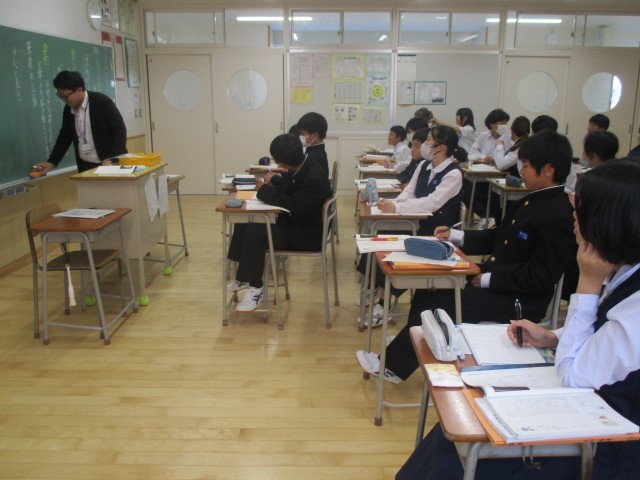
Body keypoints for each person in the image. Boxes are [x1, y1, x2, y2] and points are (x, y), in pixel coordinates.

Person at [397, 159, 640, 479]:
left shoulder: (628, 300)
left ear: (609, 221)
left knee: (467, 435)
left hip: (602, 442)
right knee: (455, 427)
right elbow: (603, 336)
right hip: (586, 408)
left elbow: (575, 375)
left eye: (581, 207)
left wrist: (588, 283)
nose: (574, 214)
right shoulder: (623, 270)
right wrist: (554, 336)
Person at [357, 129, 577, 383]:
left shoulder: (558, 214)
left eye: (526, 166)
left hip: (519, 299)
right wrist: (455, 236)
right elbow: (495, 238)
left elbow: (540, 275)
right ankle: (412, 342)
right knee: (428, 291)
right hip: (499, 282)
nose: (521, 171)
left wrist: (486, 280)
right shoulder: (529, 202)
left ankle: (394, 365)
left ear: (548, 170)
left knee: (443, 303)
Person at [357, 126, 467, 325]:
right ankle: (375, 287)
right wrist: (395, 204)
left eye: (428, 141)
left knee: (396, 245)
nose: (424, 145)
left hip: (436, 230)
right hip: (416, 220)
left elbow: (432, 203)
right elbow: (409, 191)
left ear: (440, 147)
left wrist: (397, 208)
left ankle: (384, 302)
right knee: (379, 236)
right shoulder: (424, 165)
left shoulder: (453, 174)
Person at [226, 134, 333, 312]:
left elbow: (294, 205)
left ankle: (256, 288)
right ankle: (242, 277)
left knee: (256, 232)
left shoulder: (313, 177)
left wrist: (265, 191)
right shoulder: (305, 165)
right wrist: (273, 182)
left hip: (307, 235)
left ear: (282, 162)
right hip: (299, 224)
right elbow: (291, 186)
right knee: (245, 220)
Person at [34, 70, 127, 174]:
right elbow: (65, 136)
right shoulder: (68, 109)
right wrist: (52, 161)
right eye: (60, 95)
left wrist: (114, 158)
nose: (63, 99)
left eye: (65, 96)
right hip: (85, 165)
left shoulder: (102, 102)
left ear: (79, 90)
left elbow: (119, 130)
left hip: (108, 163)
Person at [465, 108, 512, 222]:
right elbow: (472, 152)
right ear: (492, 124)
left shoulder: (507, 138)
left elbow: (506, 159)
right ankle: (488, 218)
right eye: (501, 123)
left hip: (497, 176)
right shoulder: (483, 136)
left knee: (489, 199)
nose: (504, 125)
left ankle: (491, 219)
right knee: (467, 194)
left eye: (505, 123)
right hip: (481, 174)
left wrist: (494, 159)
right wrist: (484, 157)